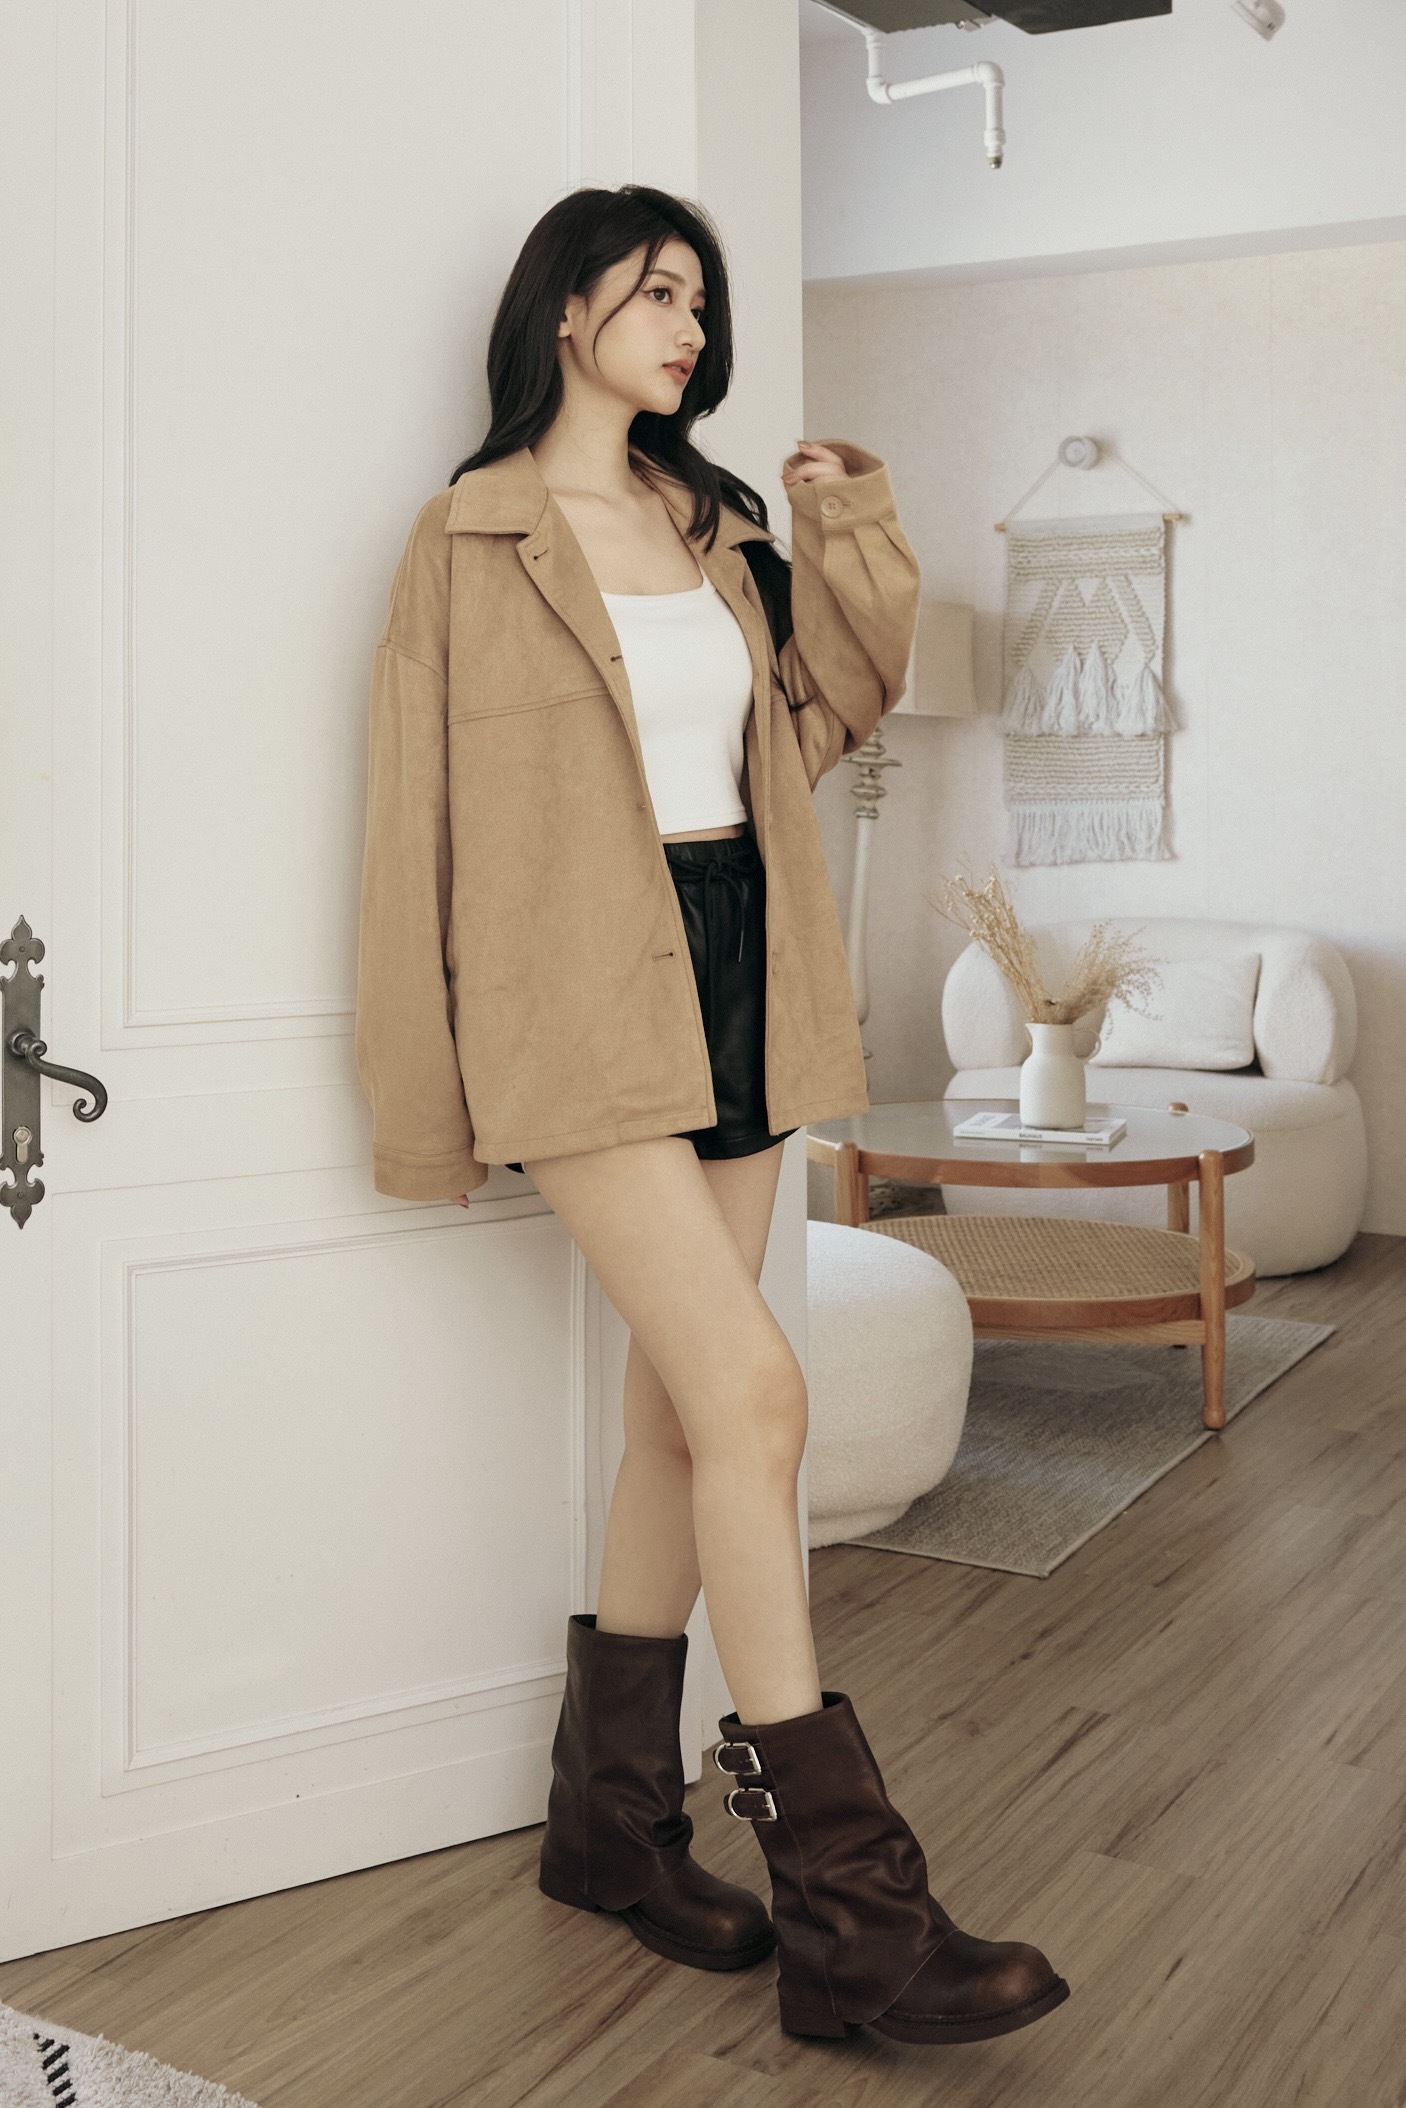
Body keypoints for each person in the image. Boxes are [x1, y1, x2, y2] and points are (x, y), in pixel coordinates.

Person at [354, 182, 1069, 2048]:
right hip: (575, 997)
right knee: (757, 1395)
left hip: (743, 965)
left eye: (701, 300)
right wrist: (426, 1104)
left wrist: (848, 522)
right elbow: (411, 834)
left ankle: (606, 1832)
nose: (687, 327)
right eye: (656, 292)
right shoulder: (469, 537)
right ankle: (854, 1911)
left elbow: (841, 704)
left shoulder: (718, 524)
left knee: (682, 1415)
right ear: (565, 309)